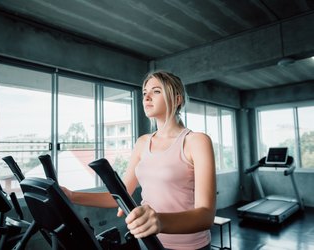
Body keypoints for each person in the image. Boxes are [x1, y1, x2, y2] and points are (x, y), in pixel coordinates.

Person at [61, 70, 216, 250]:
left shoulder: (196, 141)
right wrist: (72, 196)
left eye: (156, 91)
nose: (147, 97)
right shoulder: (142, 143)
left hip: (190, 246)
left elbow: (206, 216)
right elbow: (119, 197)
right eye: (144, 93)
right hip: (147, 242)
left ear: (177, 99)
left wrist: (159, 220)